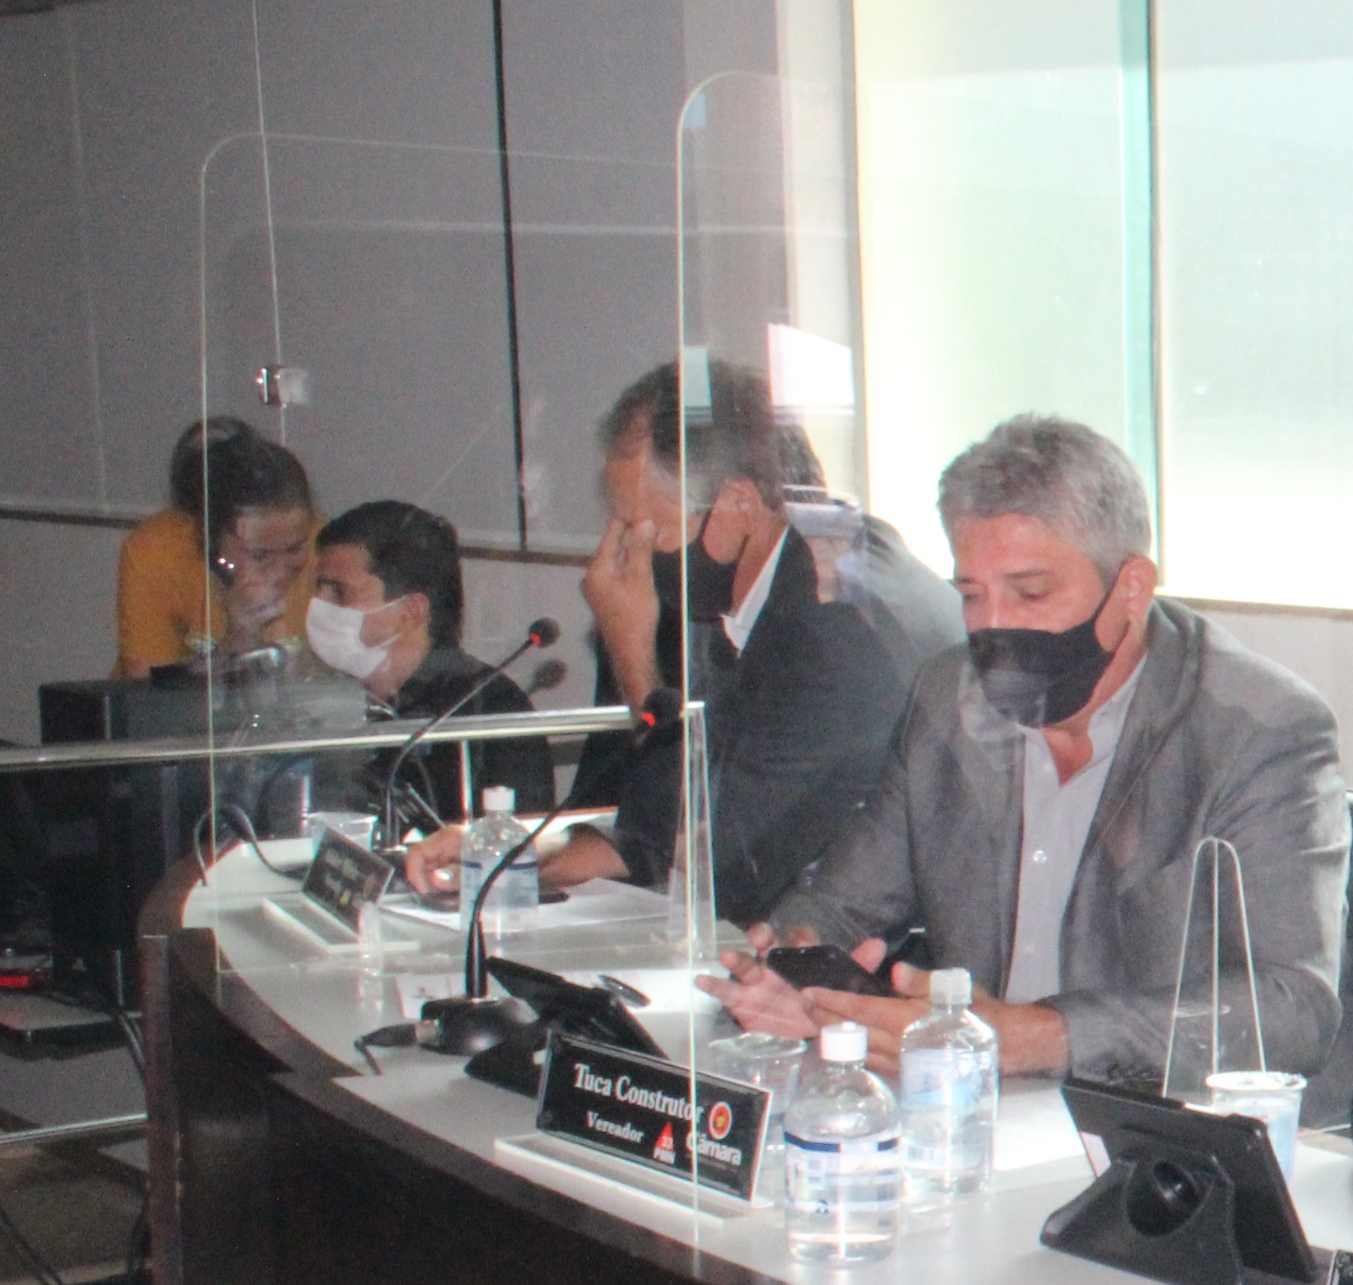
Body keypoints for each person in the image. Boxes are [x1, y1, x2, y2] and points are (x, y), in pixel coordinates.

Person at [700, 414, 1353, 1093]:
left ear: (1131, 588)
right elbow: (841, 904)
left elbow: (1292, 1010)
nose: (993, 625)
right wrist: (793, 975)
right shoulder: (951, 699)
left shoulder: (1259, 730)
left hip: (1168, 1120)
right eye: (971, 595)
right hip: (987, 1109)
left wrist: (1035, 1036)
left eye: (1031, 592)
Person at [405, 360, 956, 917]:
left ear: (738, 504)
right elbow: (652, 836)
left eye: (645, 529)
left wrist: (632, 656)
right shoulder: (787, 574)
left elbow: (713, 861)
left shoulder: (831, 636)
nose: (619, 557)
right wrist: (510, 855)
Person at [305, 499, 552, 826]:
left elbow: (512, 840)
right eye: (318, 588)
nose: (318, 605)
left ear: (411, 612)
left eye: (338, 592)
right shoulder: (325, 702)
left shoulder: (489, 711)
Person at [114, 422, 315, 678]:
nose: (278, 572)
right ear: (209, 536)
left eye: (295, 549)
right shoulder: (156, 555)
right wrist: (235, 644)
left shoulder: (326, 551)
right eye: (259, 555)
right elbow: (146, 688)